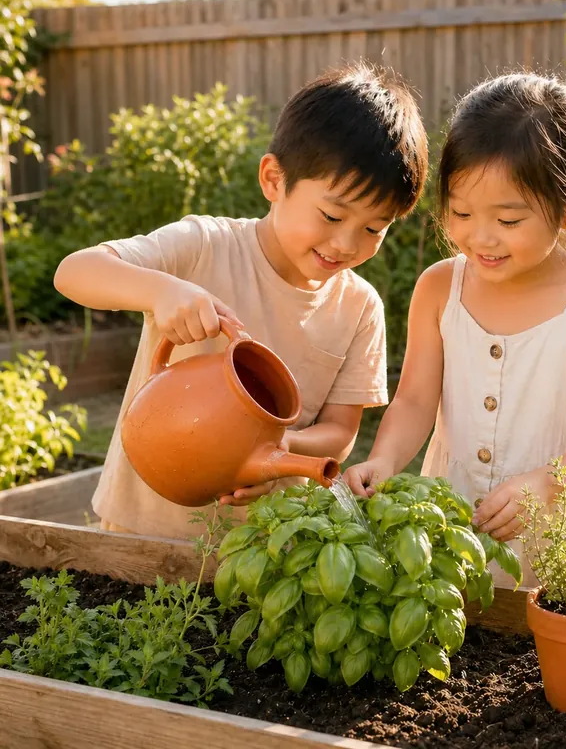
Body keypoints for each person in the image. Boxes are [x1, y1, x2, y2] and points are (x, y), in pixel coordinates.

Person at [54, 63, 428, 539]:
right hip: (140, 527)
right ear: (274, 180)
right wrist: (161, 289)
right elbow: (74, 272)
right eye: (332, 215)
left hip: (261, 551)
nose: (347, 244)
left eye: (375, 228)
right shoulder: (204, 246)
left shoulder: (359, 308)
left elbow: (340, 431)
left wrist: (274, 455)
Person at [343, 73, 566, 588]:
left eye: (508, 220)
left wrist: (546, 484)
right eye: (460, 212)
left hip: (563, 543)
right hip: (454, 532)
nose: (480, 237)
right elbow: (414, 400)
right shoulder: (439, 289)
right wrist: (386, 458)